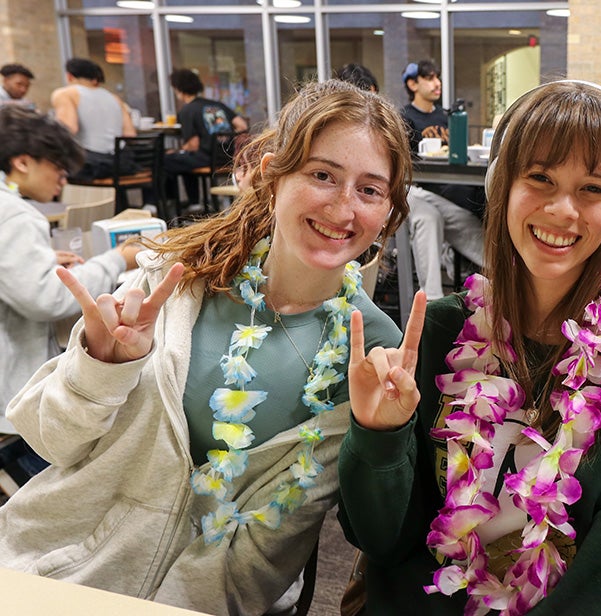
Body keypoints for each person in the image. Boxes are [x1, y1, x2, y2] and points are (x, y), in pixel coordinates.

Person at [0, 79, 412, 614]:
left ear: (388, 213)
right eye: (322, 175)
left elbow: (266, 555)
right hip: (45, 574)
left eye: (370, 189)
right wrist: (99, 369)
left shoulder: (372, 352)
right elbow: (48, 439)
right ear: (272, 176)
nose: (342, 208)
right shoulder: (171, 282)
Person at [338, 80, 601, 614]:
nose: (563, 210)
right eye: (540, 178)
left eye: (593, 189)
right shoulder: (437, 333)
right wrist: (379, 436)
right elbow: (381, 542)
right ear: (502, 186)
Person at [0, 105, 140, 477]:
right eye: (58, 169)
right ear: (24, 162)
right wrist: (117, 260)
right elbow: (47, 298)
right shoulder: (14, 214)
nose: (62, 180)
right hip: (9, 388)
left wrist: (40, 258)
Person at [399, 59, 486, 301]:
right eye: (430, 78)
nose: (437, 83)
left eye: (438, 77)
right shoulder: (405, 118)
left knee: (472, 213)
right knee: (430, 216)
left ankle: (501, 276)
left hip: (446, 190)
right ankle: (431, 302)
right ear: (413, 84)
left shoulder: (445, 116)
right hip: (414, 189)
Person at [165, 68, 248, 207]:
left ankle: (188, 203)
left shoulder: (187, 110)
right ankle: (197, 203)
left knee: (167, 160)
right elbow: (242, 125)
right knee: (184, 159)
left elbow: (193, 145)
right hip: (228, 156)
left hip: (207, 158)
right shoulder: (217, 105)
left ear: (178, 89)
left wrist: (177, 150)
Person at [51, 58, 137, 182]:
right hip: (122, 164)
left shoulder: (66, 94)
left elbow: (68, 129)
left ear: (69, 76)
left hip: (90, 166)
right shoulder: (114, 98)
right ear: (95, 79)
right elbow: (130, 134)